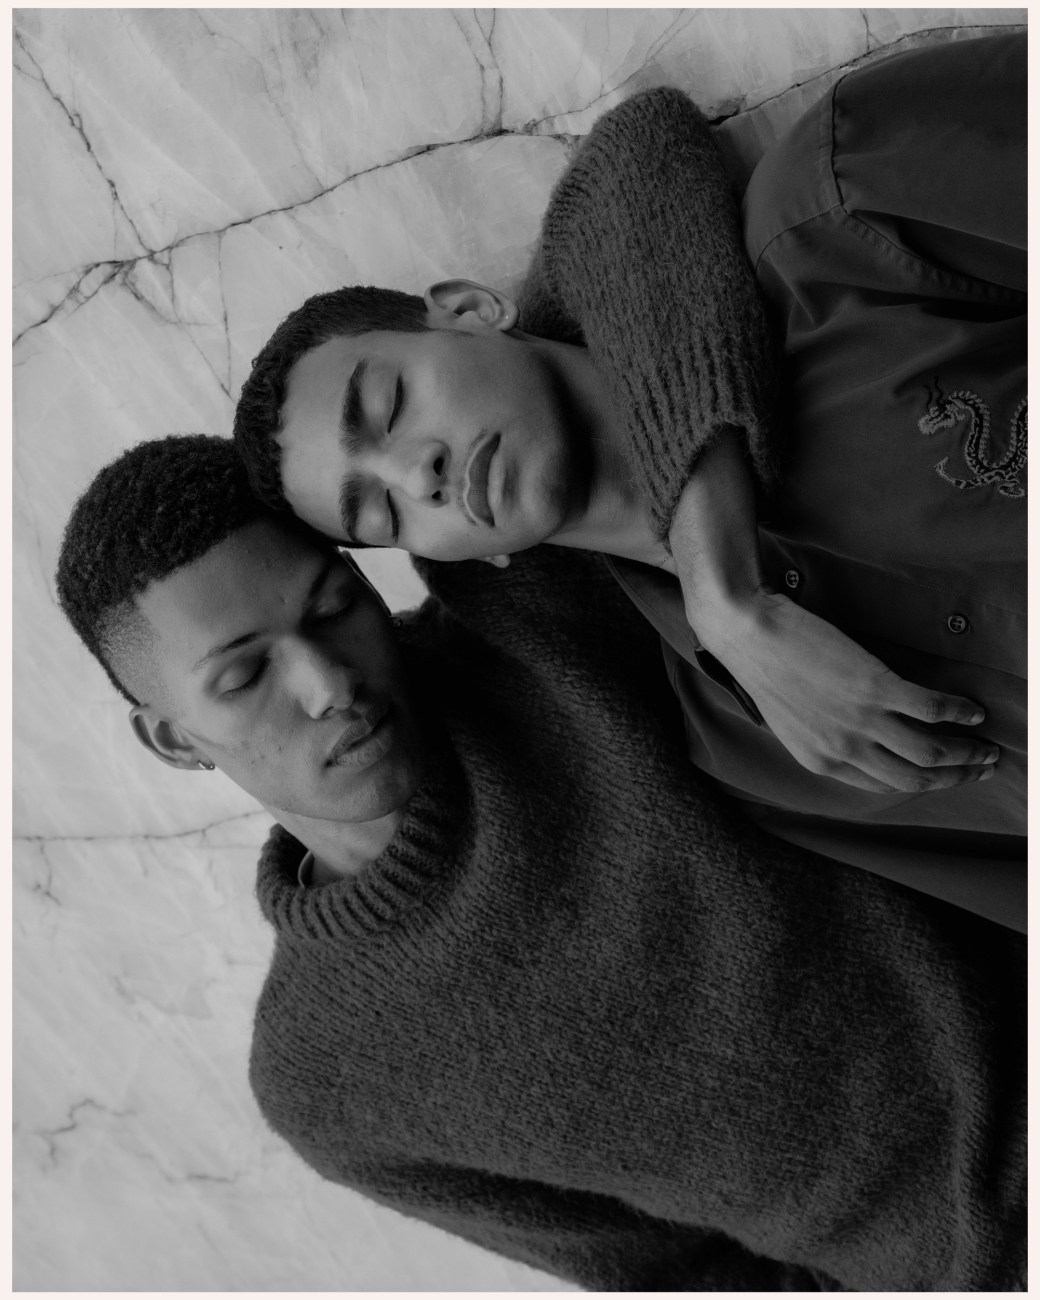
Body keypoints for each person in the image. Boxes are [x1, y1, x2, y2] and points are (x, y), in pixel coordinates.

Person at [55, 435, 1025, 1290]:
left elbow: (634, 286)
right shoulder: (326, 1081)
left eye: (333, 607)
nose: (327, 684)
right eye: (243, 675)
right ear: (172, 739)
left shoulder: (530, 611)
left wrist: (727, 597)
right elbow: (685, 1280)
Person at [232, 32, 1026, 930]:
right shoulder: (753, 755)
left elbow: (638, 155)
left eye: (389, 405)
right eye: (382, 512)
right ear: (467, 561)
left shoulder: (839, 222)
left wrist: (728, 596)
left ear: (469, 309)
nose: (419, 473)